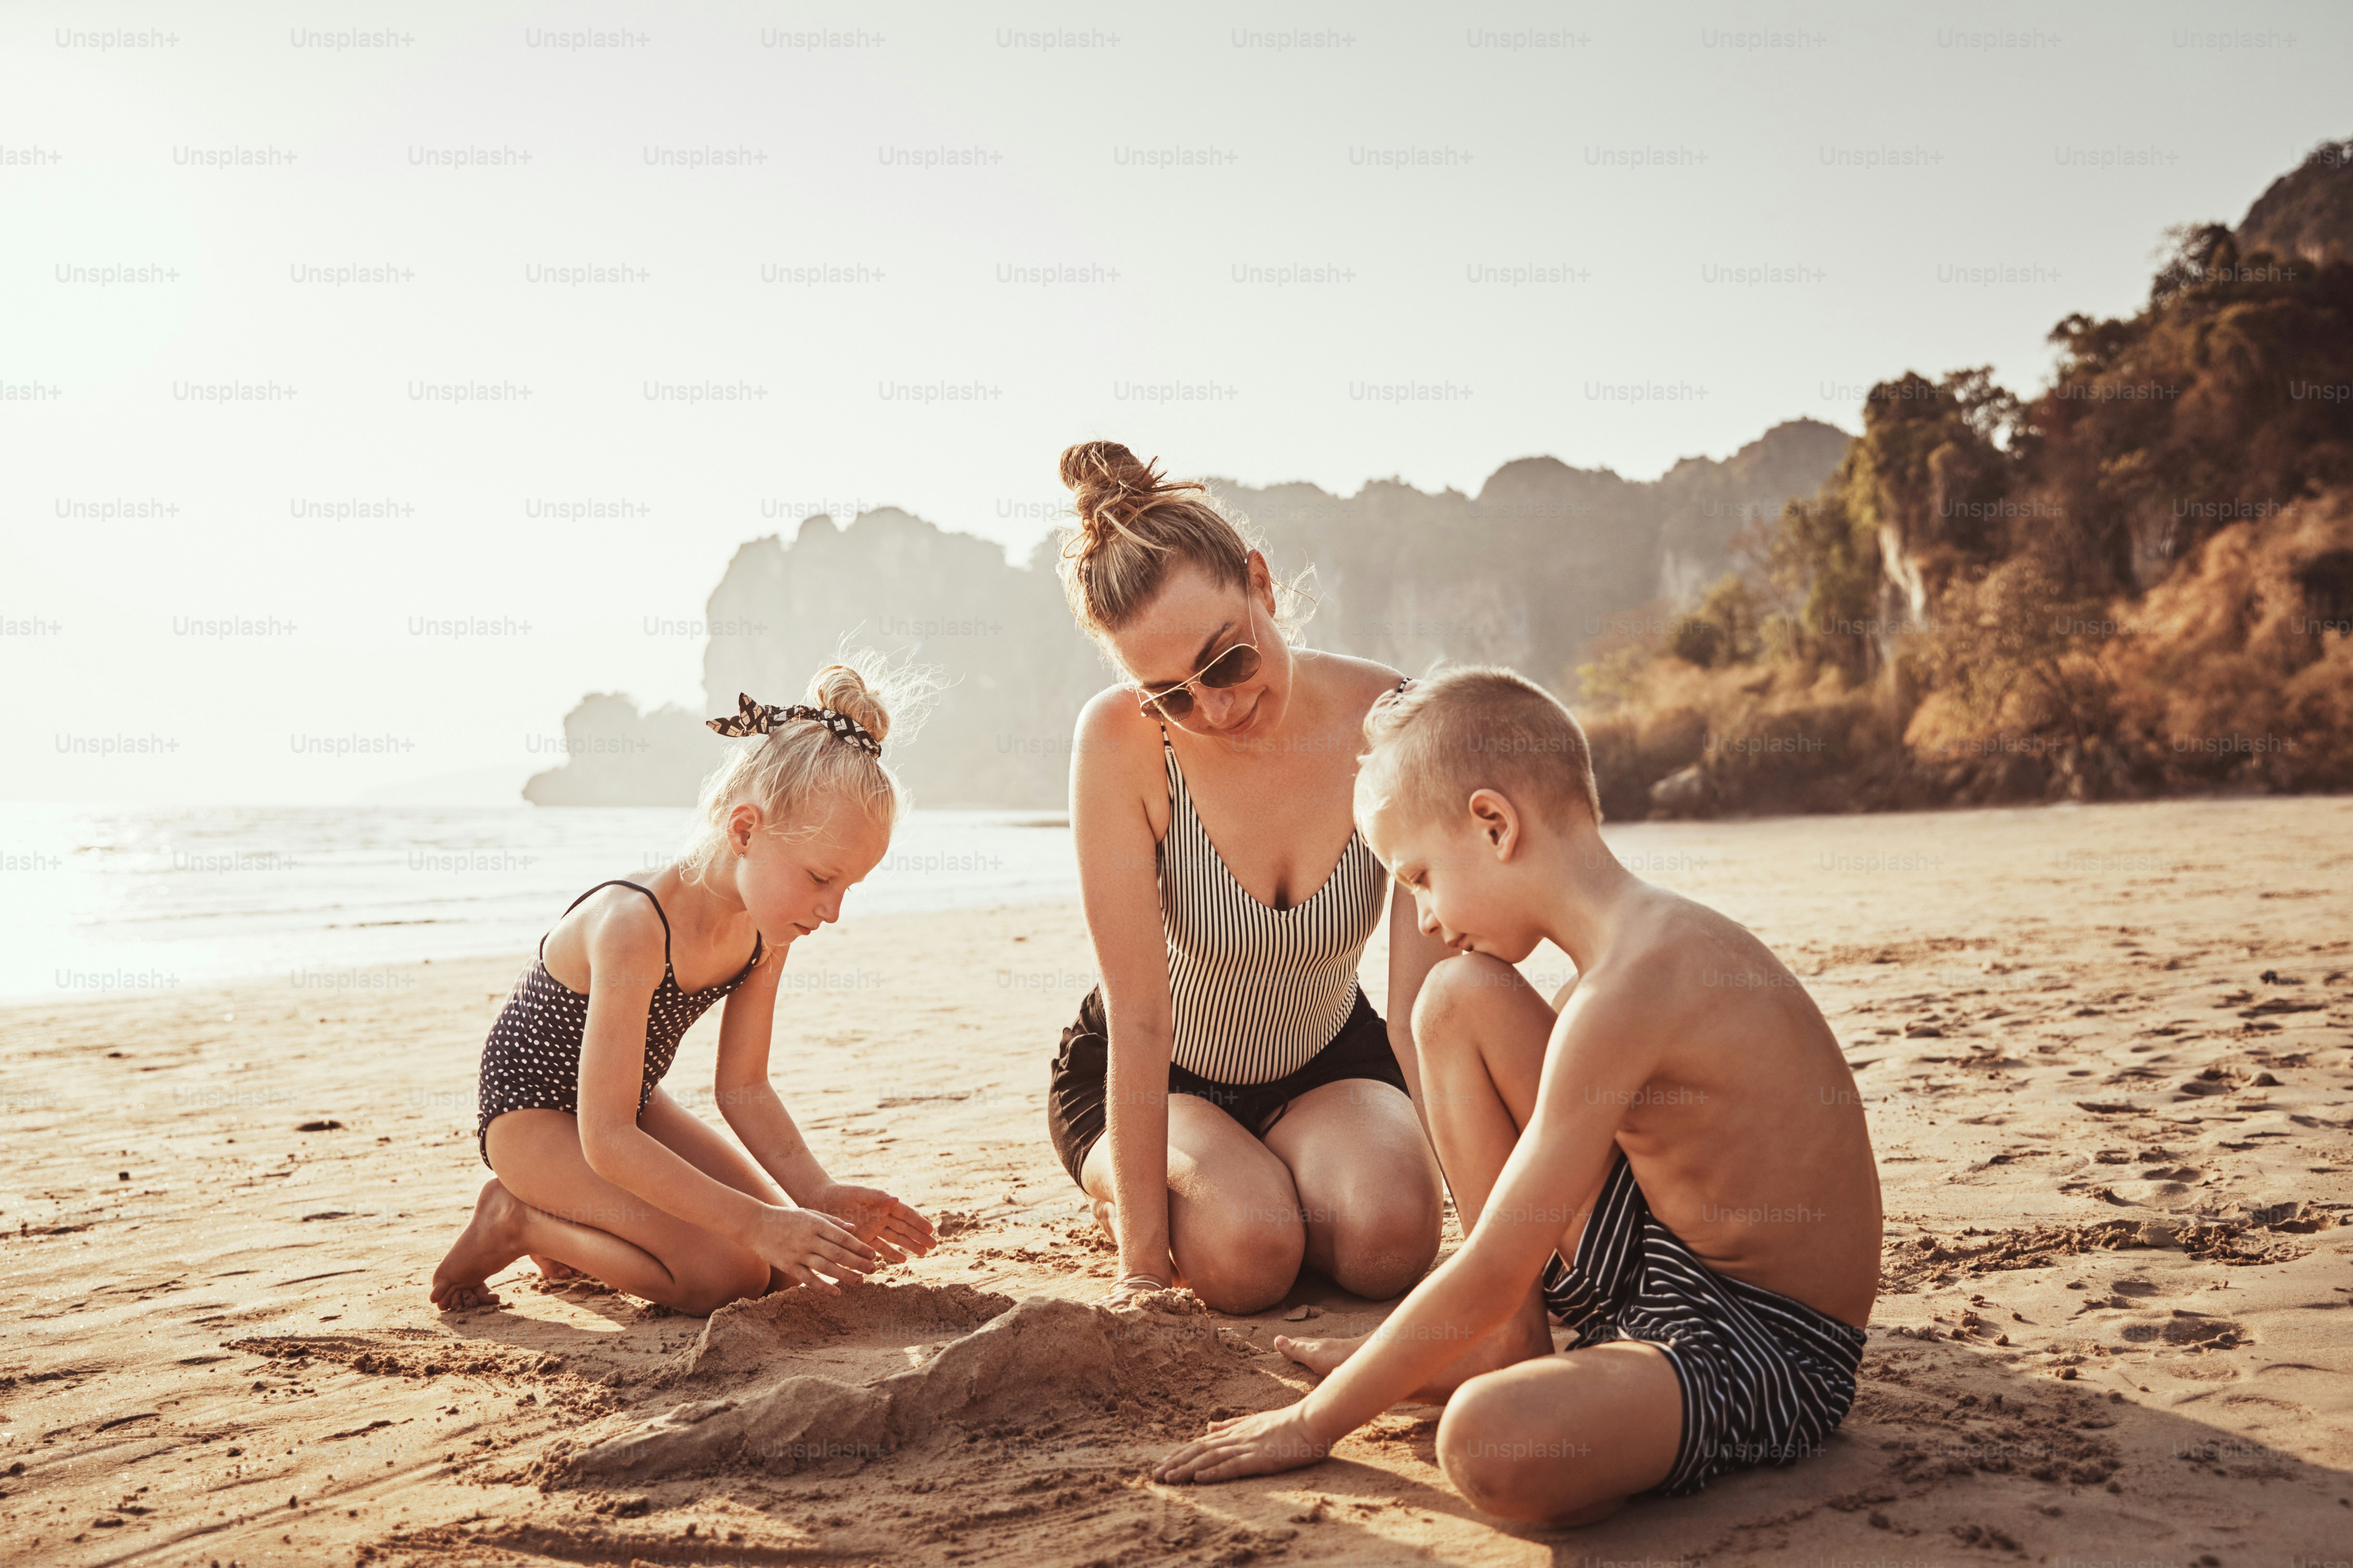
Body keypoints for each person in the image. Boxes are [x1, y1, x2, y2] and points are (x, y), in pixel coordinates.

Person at [1153, 665, 1882, 1524]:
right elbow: (1514, 1250)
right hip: (1660, 1265)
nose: (1422, 915)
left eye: (1420, 875)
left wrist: (1316, 1422)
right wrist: (1423, 1345)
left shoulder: (1639, 984)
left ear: (1494, 824)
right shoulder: (1609, 969)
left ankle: (1558, 1380)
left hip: (1762, 1343)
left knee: (1488, 1443)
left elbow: (1498, 1264)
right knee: (1456, 997)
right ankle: (1512, 1345)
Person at [1046, 441, 1449, 1315]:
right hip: (1157, 1070)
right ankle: (1148, 1187)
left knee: (1393, 1242)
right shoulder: (1119, 742)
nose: (1216, 708)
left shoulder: (1390, 720)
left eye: (1227, 661)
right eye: (1171, 696)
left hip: (1327, 1058)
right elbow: (1139, 1016)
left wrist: (1507, 1243)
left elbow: (1421, 1012)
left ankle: (1277, 1180)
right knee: (1250, 1257)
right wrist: (1142, 1273)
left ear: (1262, 585)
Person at [430, 658, 939, 1315]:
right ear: (745, 829)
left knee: (784, 1271)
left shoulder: (768, 931)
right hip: (533, 1115)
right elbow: (606, 1138)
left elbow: (744, 1088)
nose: (832, 910)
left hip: (625, 1103)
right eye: (820, 878)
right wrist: (756, 1222)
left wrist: (816, 1192)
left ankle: (572, 1233)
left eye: (849, 888)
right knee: (723, 1273)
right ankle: (515, 1220)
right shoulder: (634, 927)